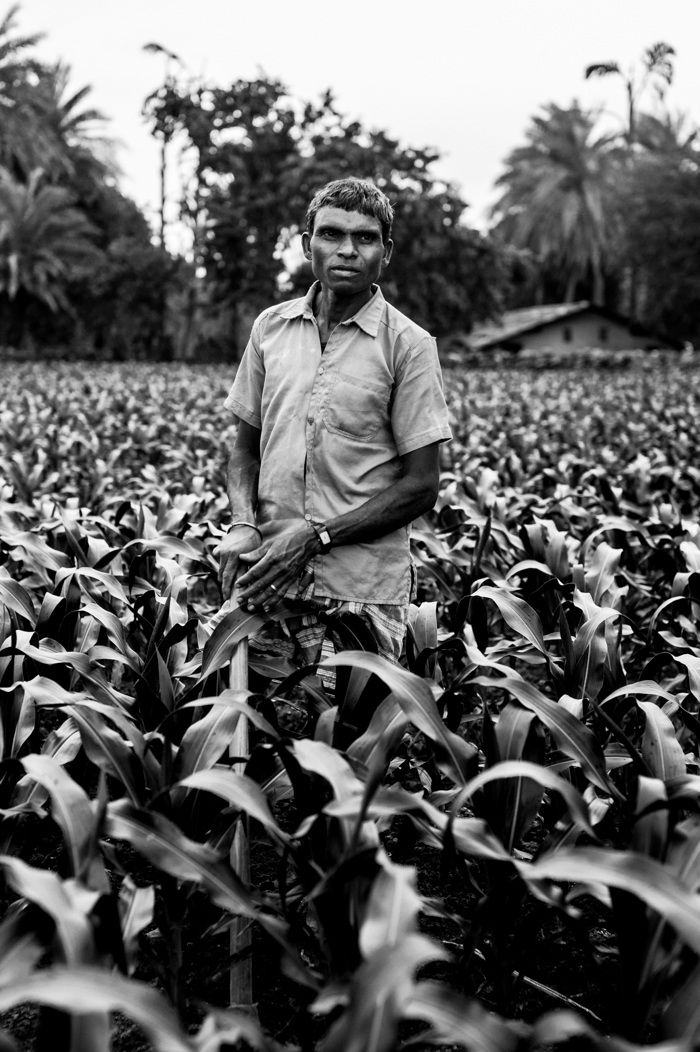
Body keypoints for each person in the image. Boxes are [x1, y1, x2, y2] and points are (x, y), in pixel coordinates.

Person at [217, 177, 452, 666]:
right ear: (308, 245)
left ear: (385, 253)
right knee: (262, 734)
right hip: (268, 578)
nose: (347, 250)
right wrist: (242, 522)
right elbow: (245, 449)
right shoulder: (270, 329)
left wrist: (316, 539)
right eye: (331, 235)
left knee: (351, 737)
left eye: (365, 238)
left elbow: (421, 486)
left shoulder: (408, 345)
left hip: (361, 594)